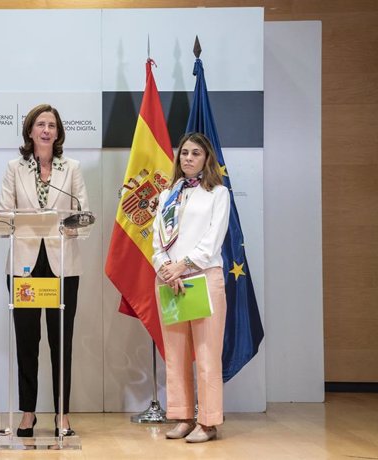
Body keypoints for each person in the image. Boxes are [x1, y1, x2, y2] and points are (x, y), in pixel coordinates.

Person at [0, 104, 89, 437]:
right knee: (27, 340)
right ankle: (28, 412)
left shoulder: (72, 168)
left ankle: (62, 415)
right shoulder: (14, 168)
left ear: (58, 131)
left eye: (52, 125)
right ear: (30, 131)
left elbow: (84, 212)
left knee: (60, 341)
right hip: (24, 265)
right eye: (40, 124)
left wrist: (69, 224)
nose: (46, 130)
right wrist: (28, 220)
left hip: (61, 264)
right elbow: (5, 212)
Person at [152, 132, 230, 443]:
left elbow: (213, 240)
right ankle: (183, 416)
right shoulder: (167, 194)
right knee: (176, 353)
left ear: (206, 158)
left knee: (207, 353)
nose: (188, 158)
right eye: (184, 152)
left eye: (195, 153)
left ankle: (208, 423)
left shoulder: (217, 193)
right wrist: (166, 268)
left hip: (203, 277)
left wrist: (183, 265)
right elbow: (156, 240)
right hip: (171, 280)